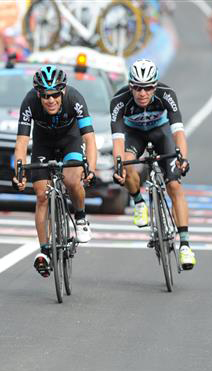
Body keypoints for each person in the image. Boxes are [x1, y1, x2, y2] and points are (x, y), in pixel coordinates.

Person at [110, 59, 196, 270]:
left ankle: (185, 245)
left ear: (155, 86)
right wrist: (119, 166)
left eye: (148, 87)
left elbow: (178, 133)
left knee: (174, 185)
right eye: (137, 87)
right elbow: (118, 142)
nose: (142, 93)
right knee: (127, 165)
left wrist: (182, 158)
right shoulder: (119, 101)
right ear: (130, 86)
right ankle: (139, 202)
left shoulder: (167, 94)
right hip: (133, 135)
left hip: (160, 132)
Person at [12, 65, 97, 278]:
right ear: (38, 94)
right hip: (43, 144)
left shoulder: (75, 98)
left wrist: (91, 169)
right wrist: (19, 173)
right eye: (45, 96)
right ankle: (45, 251)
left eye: (55, 95)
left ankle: (80, 218)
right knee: (41, 195)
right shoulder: (29, 102)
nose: (51, 100)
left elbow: (89, 137)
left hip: (71, 140)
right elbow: (22, 143)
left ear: (63, 91)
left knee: (71, 179)